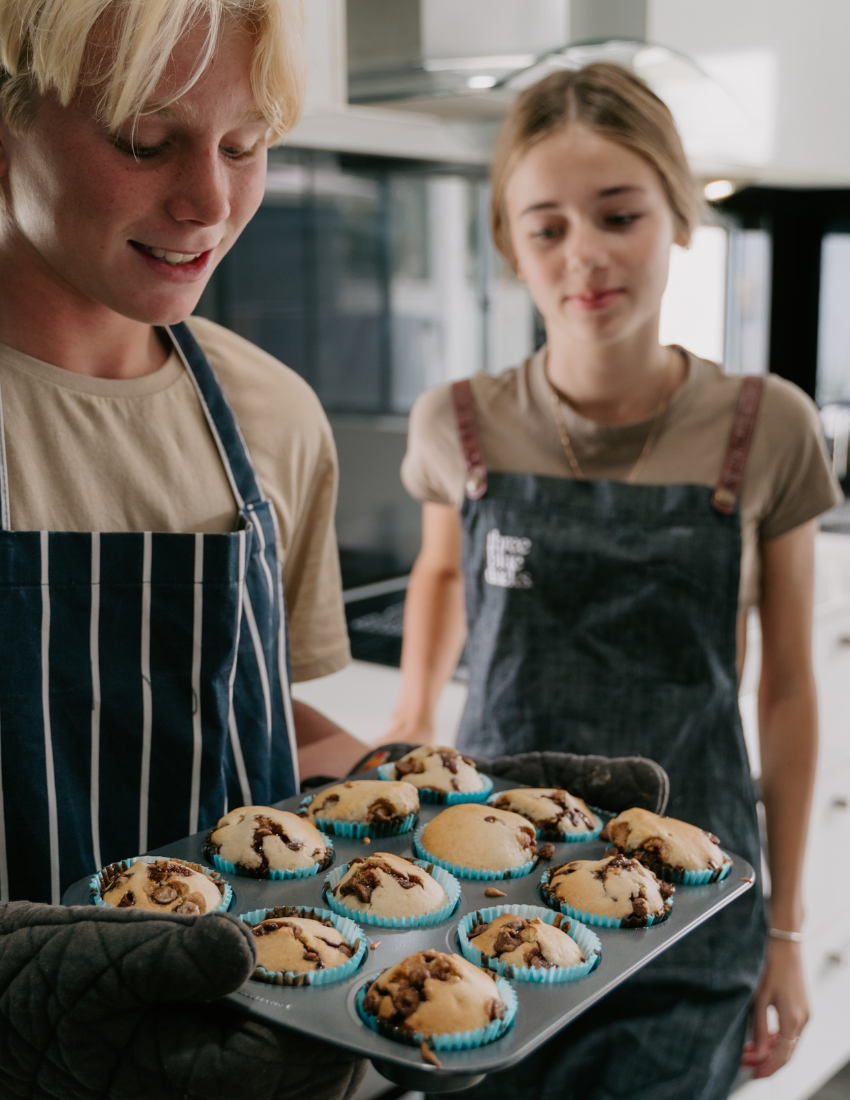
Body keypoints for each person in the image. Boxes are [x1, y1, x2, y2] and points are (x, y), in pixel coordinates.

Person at [389, 64, 843, 1099]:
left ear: (677, 216)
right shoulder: (454, 421)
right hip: (486, 884)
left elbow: (784, 687)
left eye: (618, 214)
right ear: (510, 245)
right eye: (544, 227)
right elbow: (443, 569)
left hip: (689, 898)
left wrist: (783, 926)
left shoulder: (764, 425)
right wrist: (408, 720)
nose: (583, 254)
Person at [0, 1, 368, 1095]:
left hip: (255, 1044)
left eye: (246, 147)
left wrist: (429, 798)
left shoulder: (272, 417)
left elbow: (246, 722)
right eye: (145, 141)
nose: (210, 201)